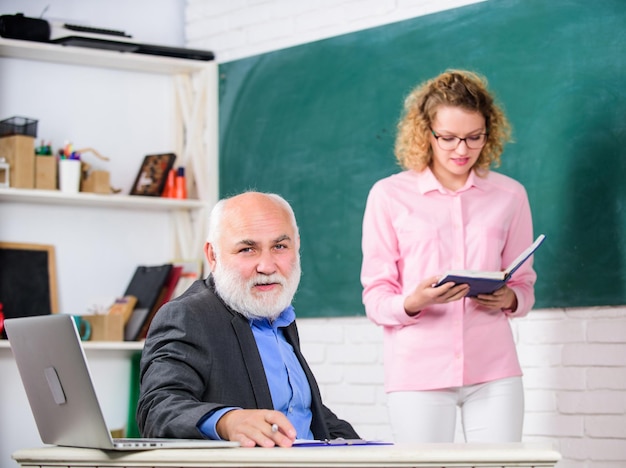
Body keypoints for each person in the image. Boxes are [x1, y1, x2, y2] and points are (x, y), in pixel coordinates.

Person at [360, 70, 537, 443]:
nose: (462, 150)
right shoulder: (388, 195)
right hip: (417, 371)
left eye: (475, 137)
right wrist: (414, 302)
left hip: (494, 369)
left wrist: (510, 297)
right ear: (426, 133)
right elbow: (375, 294)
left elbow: (523, 284)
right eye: (449, 138)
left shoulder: (510, 195)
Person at [137, 191, 359, 448]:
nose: (266, 266)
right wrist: (228, 421)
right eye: (247, 249)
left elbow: (303, 412)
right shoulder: (188, 316)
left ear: (296, 246)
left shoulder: (279, 315)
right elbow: (157, 409)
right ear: (213, 255)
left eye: (279, 247)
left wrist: (374, 451)